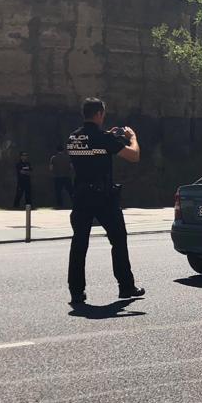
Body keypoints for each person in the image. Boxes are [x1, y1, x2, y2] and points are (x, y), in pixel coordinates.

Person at [65, 98, 144, 306]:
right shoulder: (102, 138)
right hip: (103, 197)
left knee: (79, 244)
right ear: (99, 114)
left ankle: (76, 291)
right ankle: (126, 286)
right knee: (118, 240)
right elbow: (133, 156)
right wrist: (132, 137)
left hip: (80, 196)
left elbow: (91, 148)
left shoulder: (73, 137)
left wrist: (109, 136)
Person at [50, 144, 73, 209]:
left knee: (58, 191)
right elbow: (71, 167)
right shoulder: (68, 157)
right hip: (67, 176)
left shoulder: (53, 158)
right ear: (63, 150)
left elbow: (51, 168)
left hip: (58, 177)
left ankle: (59, 205)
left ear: (57, 150)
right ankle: (73, 203)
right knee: (70, 191)